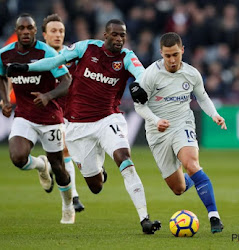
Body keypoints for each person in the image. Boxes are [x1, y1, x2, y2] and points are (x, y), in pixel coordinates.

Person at [7, 19, 161, 234]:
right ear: (105, 36)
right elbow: (55, 61)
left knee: (124, 157)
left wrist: (139, 85)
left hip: (109, 119)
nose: (119, 39)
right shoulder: (85, 47)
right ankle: (99, 170)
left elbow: (142, 74)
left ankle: (144, 218)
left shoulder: (127, 56)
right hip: (78, 126)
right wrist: (26, 67)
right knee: (95, 186)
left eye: (122, 35)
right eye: (114, 35)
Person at [129, 32, 226, 234]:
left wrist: (214, 115)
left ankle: (214, 216)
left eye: (175, 54)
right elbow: (139, 106)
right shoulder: (150, 75)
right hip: (157, 131)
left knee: (191, 164)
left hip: (183, 123)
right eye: (167, 56)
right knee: (178, 188)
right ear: (161, 54)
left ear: (182, 50)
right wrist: (156, 120)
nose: (172, 60)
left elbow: (203, 97)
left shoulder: (192, 74)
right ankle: (196, 178)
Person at [0, 13, 75, 224]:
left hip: (50, 116)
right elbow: (1, 75)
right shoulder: (5, 54)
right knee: (17, 157)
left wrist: (48, 95)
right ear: (16, 32)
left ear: (35, 32)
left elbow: (67, 81)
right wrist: (5, 100)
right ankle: (41, 166)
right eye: (21, 29)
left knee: (59, 168)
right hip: (24, 115)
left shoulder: (47, 52)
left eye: (29, 28)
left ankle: (68, 206)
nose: (25, 32)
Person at [42, 13, 85, 212]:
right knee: (65, 150)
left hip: (72, 111)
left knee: (64, 154)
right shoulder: (39, 58)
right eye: (53, 31)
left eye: (61, 31)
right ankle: (73, 196)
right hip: (48, 112)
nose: (58, 35)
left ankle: (48, 166)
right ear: (44, 35)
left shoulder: (72, 55)